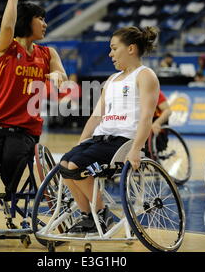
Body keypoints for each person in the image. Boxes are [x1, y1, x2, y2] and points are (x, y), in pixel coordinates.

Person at [0, 0, 67, 230]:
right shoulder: (5, 47)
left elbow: (62, 75)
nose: (45, 24)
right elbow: (7, 25)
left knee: (13, 161)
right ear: (28, 21)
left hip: (26, 127)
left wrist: (57, 76)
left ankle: (11, 202)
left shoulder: (48, 54)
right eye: (41, 19)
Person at [59, 26, 160, 235]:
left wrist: (136, 149)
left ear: (131, 49)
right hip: (101, 139)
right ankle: (88, 217)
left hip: (123, 141)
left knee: (77, 165)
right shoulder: (112, 80)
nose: (110, 53)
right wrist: (82, 141)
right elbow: (96, 116)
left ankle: (102, 213)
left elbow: (147, 117)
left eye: (114, 48)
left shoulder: (145, 75)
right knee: (64, 164)